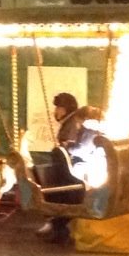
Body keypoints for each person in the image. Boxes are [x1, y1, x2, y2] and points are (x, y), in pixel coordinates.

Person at [36, 92, 102, 243]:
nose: (56, 111)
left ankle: (55, 224)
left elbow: (80, 148)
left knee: (59, 191)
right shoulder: (74, 123)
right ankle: (55, 224)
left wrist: (67, 147)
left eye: (59, 108)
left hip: (76, 168)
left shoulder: (76, 125)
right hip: (73, 167)